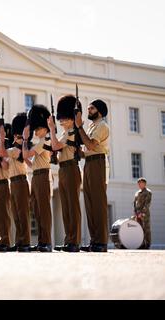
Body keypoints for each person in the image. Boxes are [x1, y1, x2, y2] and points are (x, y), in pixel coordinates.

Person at [48, 95, 82, 252]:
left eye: (64, 119)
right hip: (63, 169)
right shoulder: (66, 132)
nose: (61, 121)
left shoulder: (71, 132)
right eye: (60, 119)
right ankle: (69, 239)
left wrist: (52, 130)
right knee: (66, 207)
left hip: (71, 168)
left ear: (71, 118)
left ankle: (74, 241)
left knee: (72, 206)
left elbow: (55, 145)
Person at [75, 99, 110, 252]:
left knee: (98, 203)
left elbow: (90, 145)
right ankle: (94, 240)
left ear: (100, 111)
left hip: (98, 163)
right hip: (89, 163)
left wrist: (79, 127)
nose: (89, 110)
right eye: (88, 108)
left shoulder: (102, 126)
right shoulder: (91, 126)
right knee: (89, 203)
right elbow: (86, 151)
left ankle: (101, 242)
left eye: (92, 108)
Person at [0, 113, 31, 252]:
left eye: (18, 136)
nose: (16, 138)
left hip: (21, 182)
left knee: (22, 214)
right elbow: (5, 165)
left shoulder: (18, 150)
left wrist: (1, 138)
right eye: (15, 136)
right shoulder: (13, 150)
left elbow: (2, 152)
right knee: (16, 214)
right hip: (13, 182)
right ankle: (19, 241)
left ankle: (25, 242)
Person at [22, 104, 53, 252]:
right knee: (37, 210)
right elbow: (29, 161)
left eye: (38, 129)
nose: (36, 131)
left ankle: (46, 241)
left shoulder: (45, 140)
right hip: (36, 175)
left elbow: (27, 154)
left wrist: (24, 139)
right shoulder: (40, 142)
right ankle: (42, 240)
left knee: (44, 210)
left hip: (42, 176)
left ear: (45, 128)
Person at [132, 177, 152, 249]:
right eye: (138, 183)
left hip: (144, 214)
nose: (139, 185)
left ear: (144, 184)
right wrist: (135, 212)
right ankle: (141, 244)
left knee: (146, 229)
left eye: (141, 183)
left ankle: (147, 244)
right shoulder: (137, 193)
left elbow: (147, 204)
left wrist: (142, 213)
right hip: (137, 214)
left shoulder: (148, 192)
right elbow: (135, 203)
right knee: (139, 229)